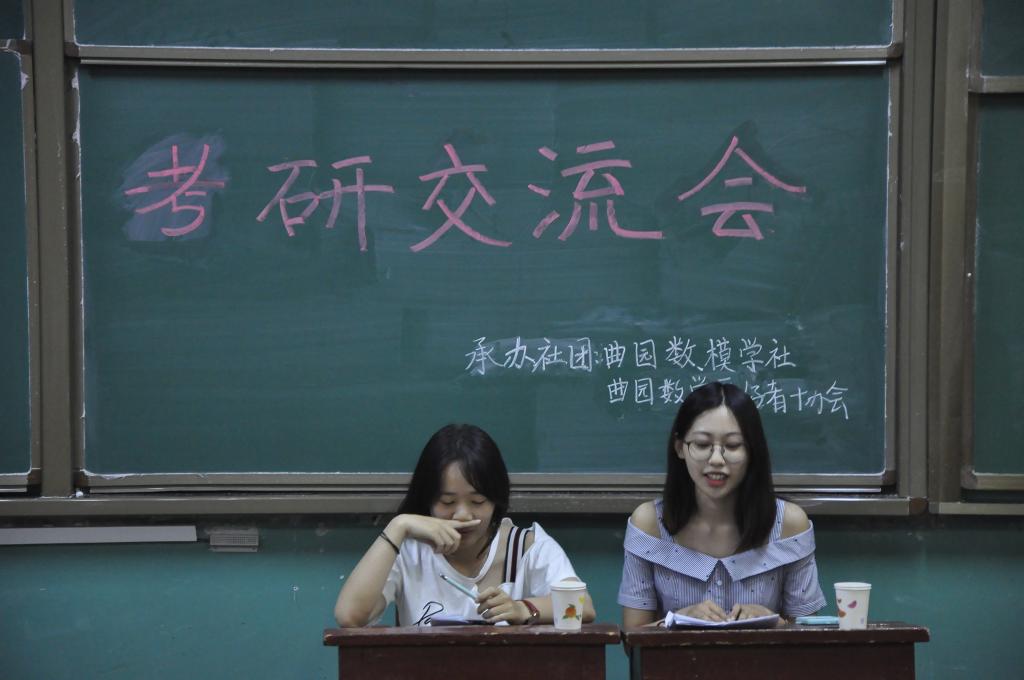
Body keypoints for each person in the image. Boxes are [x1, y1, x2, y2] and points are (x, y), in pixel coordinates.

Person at [335, 423, 597, 627]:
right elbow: (349, 616)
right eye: (447, 502)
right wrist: (398, 526)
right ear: (427, 499)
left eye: (478, 501)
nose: (462, 515)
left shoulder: (526, 547)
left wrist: (523, 608)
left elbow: (583, 607)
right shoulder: (410, 550)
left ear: (496, 500)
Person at [619, 382, 825, 627]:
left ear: (752, 451)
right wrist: (676, 621)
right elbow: (633, 639)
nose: (716, 459)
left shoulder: (789, 524)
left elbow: (809, 637)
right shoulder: (649, 523)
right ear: (680, 447)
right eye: (702, 445)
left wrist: (774, 624)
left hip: (764, 654)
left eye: (733, 446)